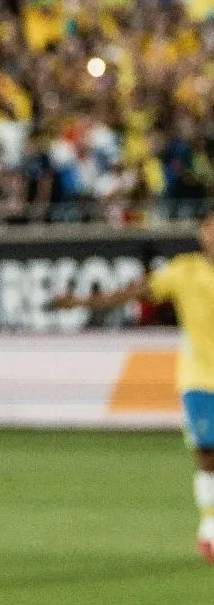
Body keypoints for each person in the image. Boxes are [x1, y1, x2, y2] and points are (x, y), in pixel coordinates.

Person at [50, 216, 214, 564]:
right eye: (210, 229)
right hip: (200, 380)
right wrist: (80, 302)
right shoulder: (183, 271)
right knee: (207, 453)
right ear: (203, 235)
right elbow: (131, 293)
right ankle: (209, 529)